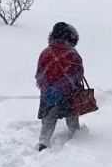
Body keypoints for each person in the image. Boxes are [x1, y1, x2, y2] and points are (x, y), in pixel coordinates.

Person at [35, 22, 84, 152]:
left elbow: (39, 74)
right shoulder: (72, 53)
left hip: (48, 93)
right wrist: (63, 87)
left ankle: (43, 142)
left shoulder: (45, 53)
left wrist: (48, 89)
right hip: (69, 93)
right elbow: (78, 73)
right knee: (72, 116)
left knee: (48, 119)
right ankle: (76, 138)